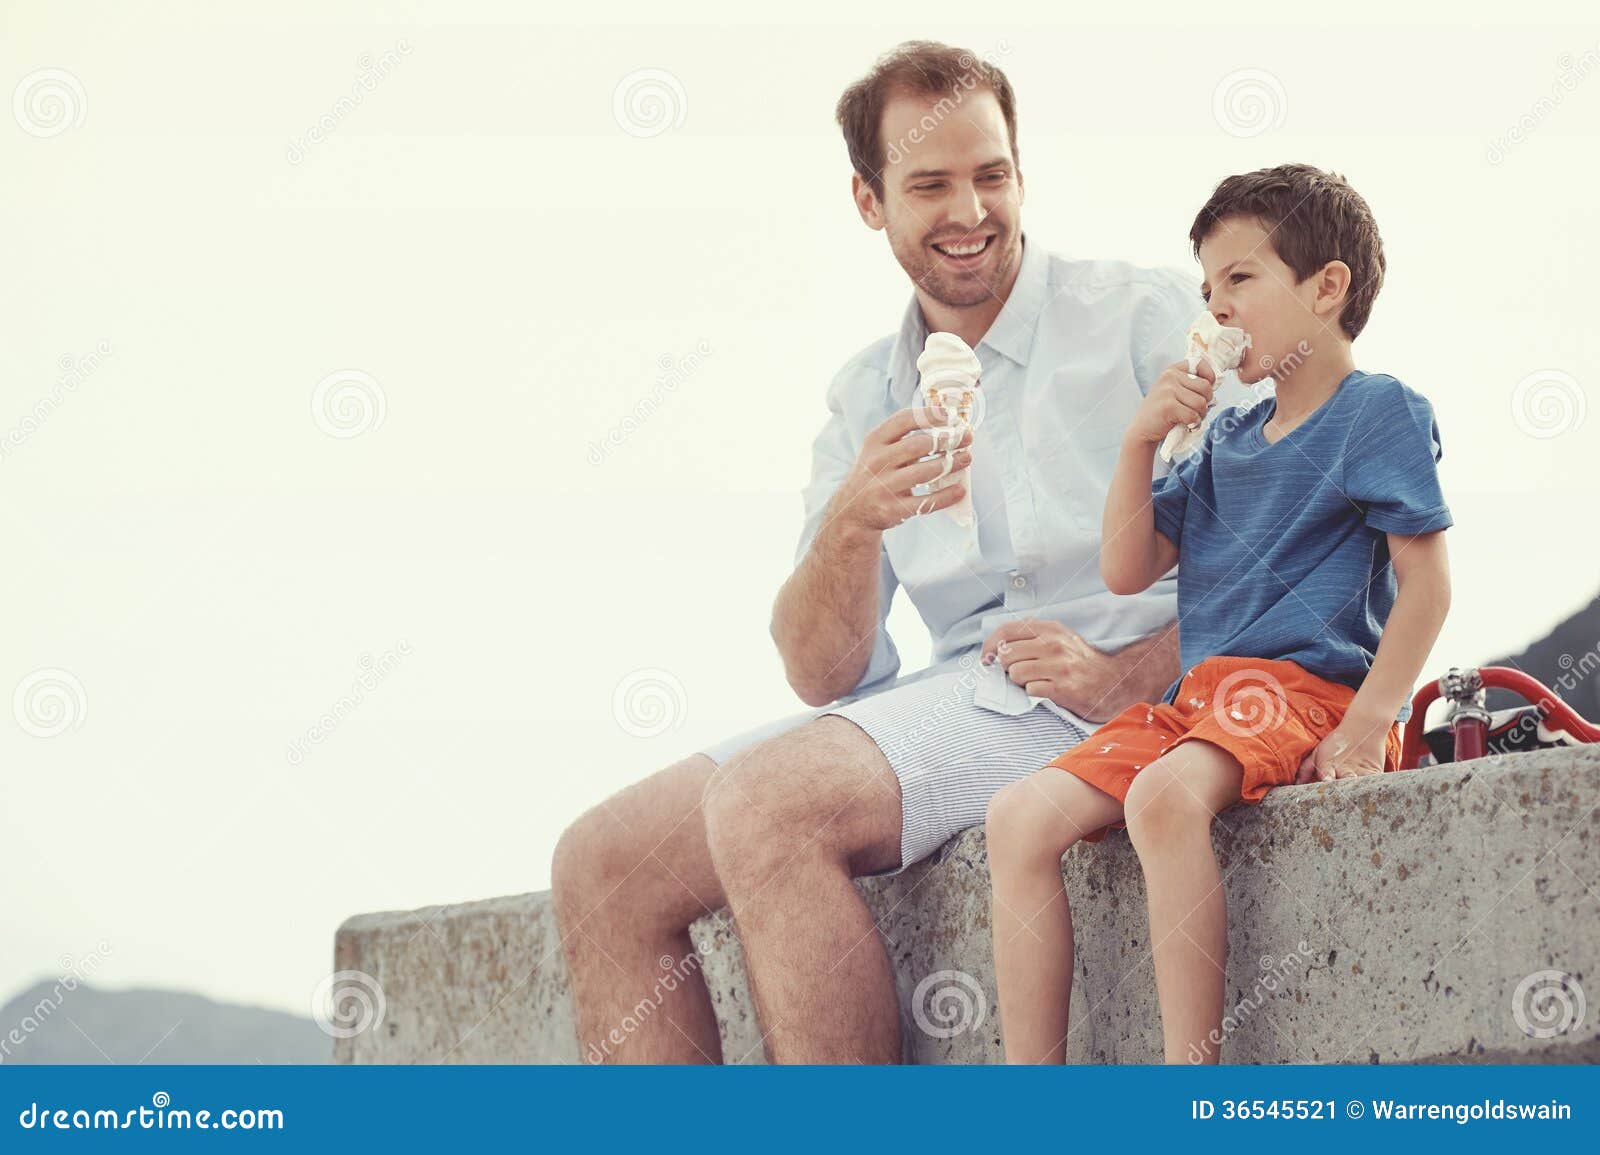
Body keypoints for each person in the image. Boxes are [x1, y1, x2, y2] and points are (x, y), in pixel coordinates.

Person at [551, 40, 1231, 1063]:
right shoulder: (866, 394)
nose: (969, 211)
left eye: (990, 175)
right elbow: (823, 673)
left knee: (766, 805)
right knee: (599, 863)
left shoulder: (1141, 317)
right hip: (964, 696)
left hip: (1110, 702)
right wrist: (853, 521)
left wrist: (1129, 672)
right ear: (870, 202)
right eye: (929, 185)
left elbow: (1296, 522)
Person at [985, 163, 1453, 1064]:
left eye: (1241, 279)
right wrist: (1138, 440)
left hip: (1309, 695)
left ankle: (1191, 1085)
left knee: (1161, 798)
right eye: (1207, 288)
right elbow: (1127, 569)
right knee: (1016, 815)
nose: (1217, 305)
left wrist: (1367, 723)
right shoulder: (1225, 442)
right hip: (1201, 706)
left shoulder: (1377, 411)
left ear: (1326, 288)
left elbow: (1428, 585)